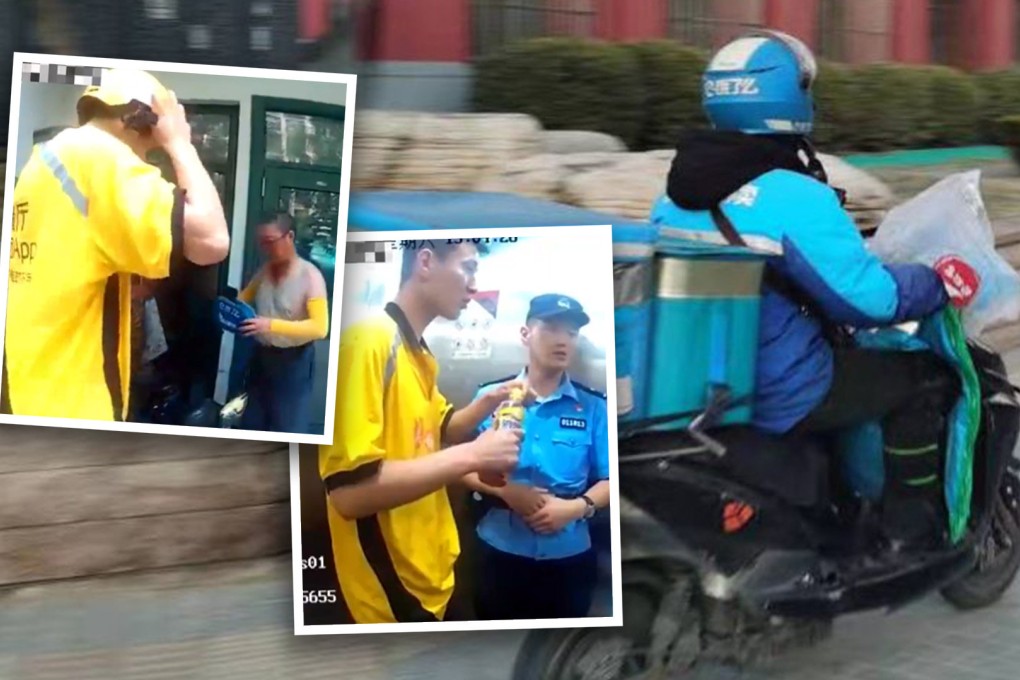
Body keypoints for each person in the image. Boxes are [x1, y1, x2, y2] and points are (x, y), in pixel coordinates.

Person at [650, 30, 960, 552]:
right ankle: (909, 532)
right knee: (923, 379)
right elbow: (870, 303)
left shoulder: (675, 192)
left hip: (701, 384)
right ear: (790, 98)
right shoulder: (794, 193)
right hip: (782, 387)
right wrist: (934, 281)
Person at [319, 240, 530, 624]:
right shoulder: (366, 343)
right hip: (391, 594)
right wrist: (475, 456)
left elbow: (443, 427)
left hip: (433, 576)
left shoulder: (418, 353)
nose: (473, 286)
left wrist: (491, 400)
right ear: (426, 262)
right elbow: (348, 495)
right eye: (467, 268)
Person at [2, 68, 229, 421]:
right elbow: (213, 241)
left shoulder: (43, 161)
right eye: (147, 148)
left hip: (29, 384)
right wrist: (179, 144)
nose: (143, 162)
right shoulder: (100, 156)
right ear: (135, 121)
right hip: (74, 405)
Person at [464, 294, 610, 621]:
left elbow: (612, 480)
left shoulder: (594, 407)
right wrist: (506, 492)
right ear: (525, 334)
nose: (562, 341)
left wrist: (575, 507)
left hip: (569, 556)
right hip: (500, 551)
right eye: (551, 329)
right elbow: (461, 465)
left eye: (571, 333)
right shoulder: (490, 398)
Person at [236, 213, 330, 434]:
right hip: (260, 358)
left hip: (293, 363)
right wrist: (231, 312)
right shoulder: (264, 271)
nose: (265, 248)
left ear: (290, 236)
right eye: (261, 242)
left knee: (288, 429)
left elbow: (320, 327)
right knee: (252, 424)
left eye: (270, 241)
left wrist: (270, 325)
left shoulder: (310, 276)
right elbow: (243, 299)